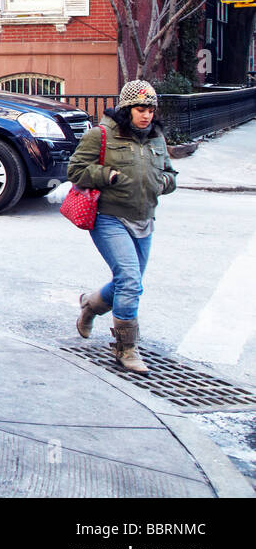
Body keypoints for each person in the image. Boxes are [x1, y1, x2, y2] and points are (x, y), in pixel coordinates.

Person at [67, 80, 177, 373]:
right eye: (140, 109)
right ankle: (126, 347)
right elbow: (75, 170)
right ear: (127, 110)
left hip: (144, 218)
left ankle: (90, 305)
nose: (147, 115)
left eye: (151, 110)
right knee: (129, 280)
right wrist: (108, 176)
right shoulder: (101, 135)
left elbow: (170, 174)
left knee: (129, 282)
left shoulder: (156, 138)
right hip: (109, 217)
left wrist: (164, 182)